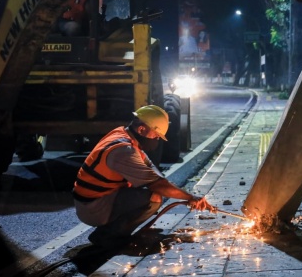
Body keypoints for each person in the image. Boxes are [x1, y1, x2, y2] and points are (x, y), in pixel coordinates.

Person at [73, 105, 215, 249]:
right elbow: (157, 185)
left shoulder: (123, 135)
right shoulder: (124, 151)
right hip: (93, 207)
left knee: (158, 190)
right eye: (155, 135)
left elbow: (153, 172)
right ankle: (108, 236)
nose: (156, 140)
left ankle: (113, 231)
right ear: (142, 129)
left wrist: (184, 194)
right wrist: (190, 197)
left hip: (99, 198)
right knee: (154, 197)